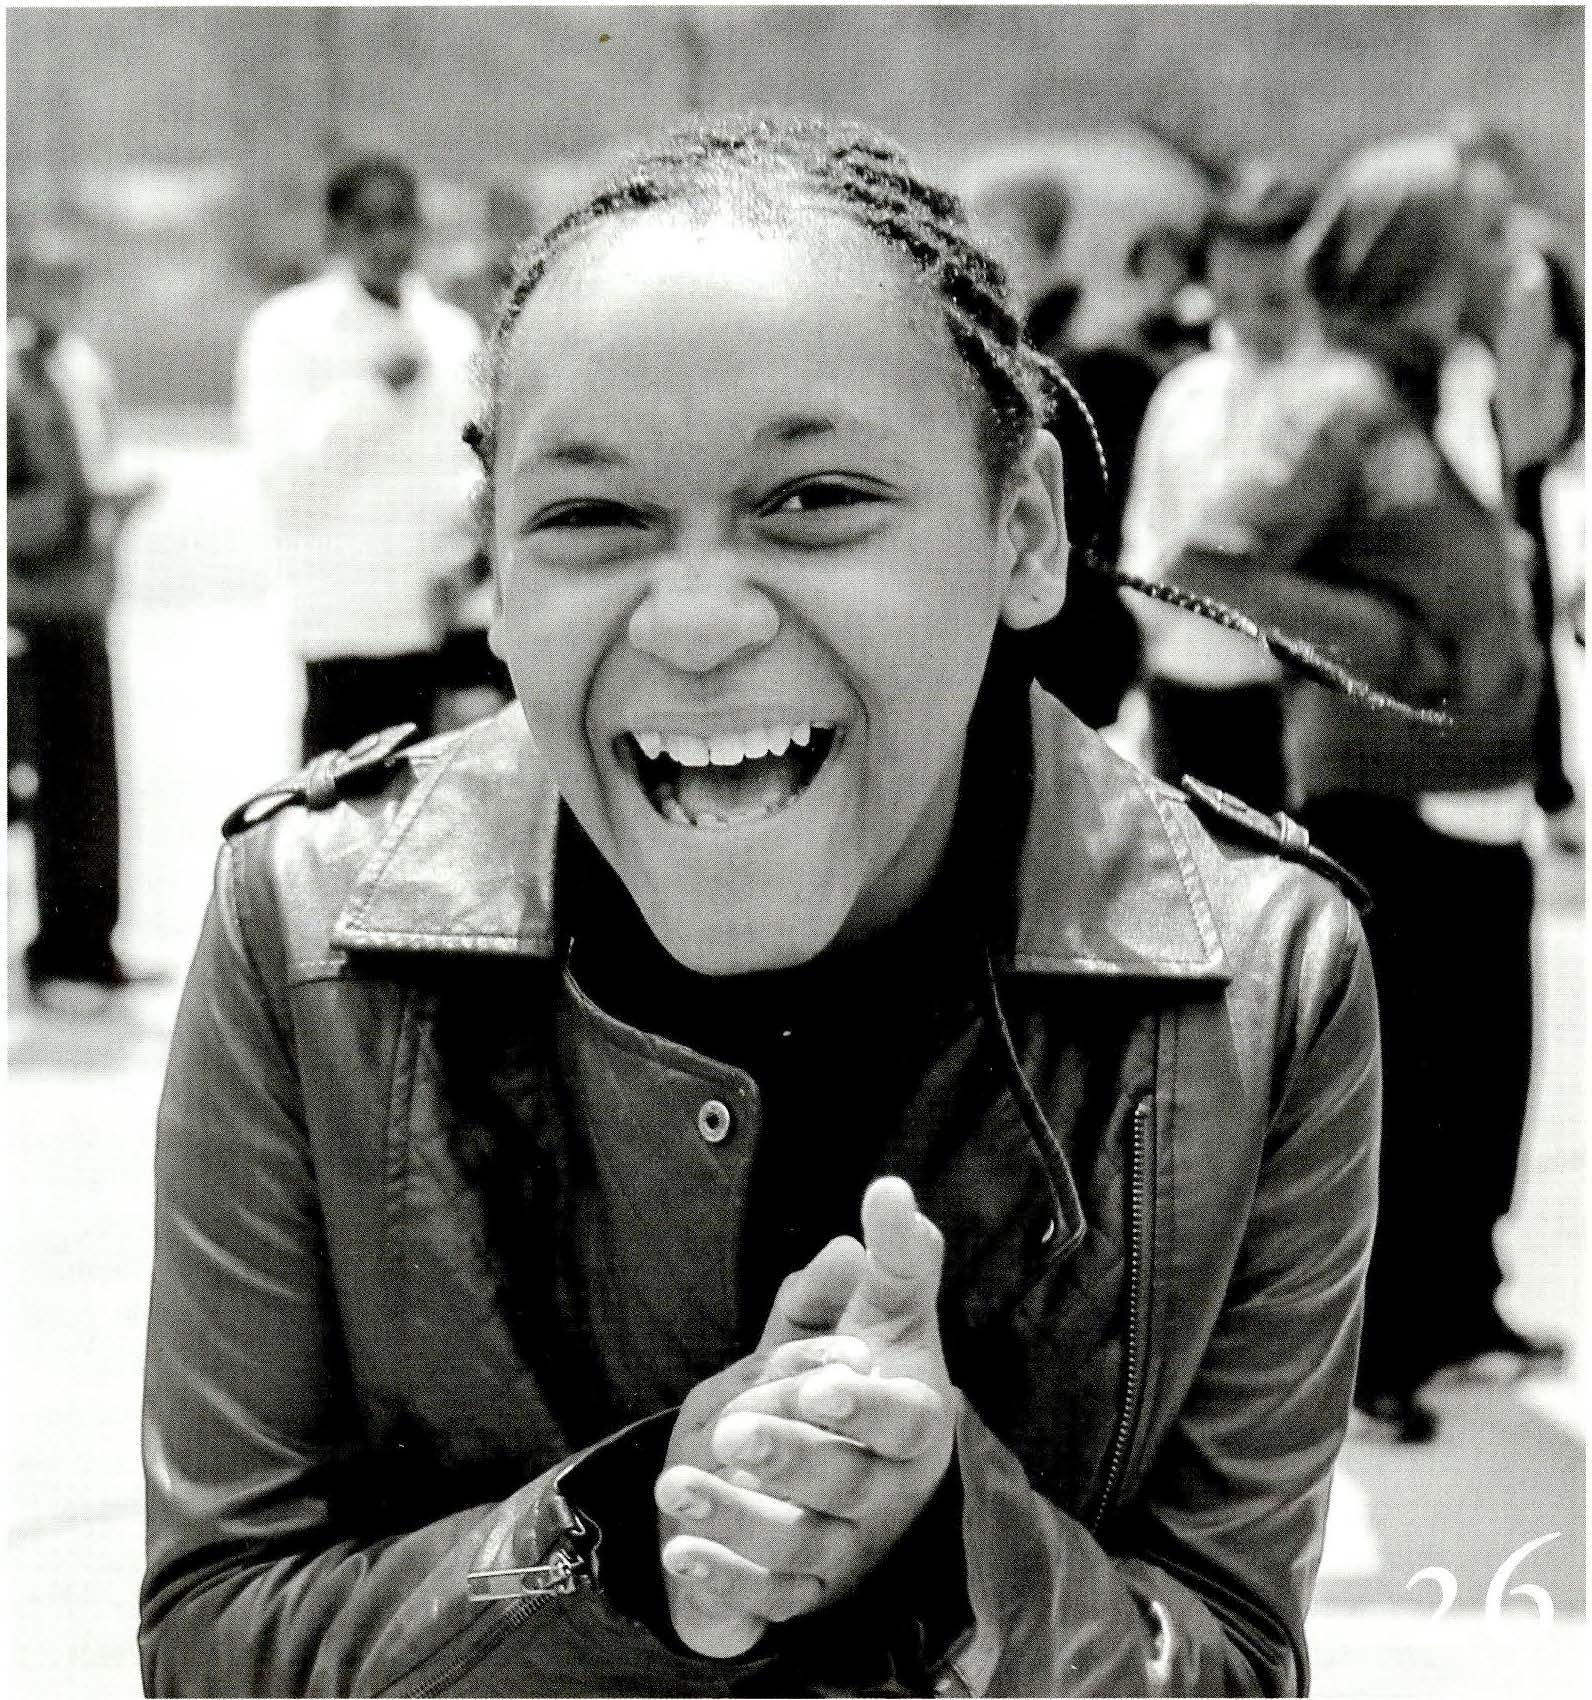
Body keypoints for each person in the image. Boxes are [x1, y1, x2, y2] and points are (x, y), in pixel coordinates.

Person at [141, 116, 1381, 1697]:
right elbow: (215, 1637)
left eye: (815, 499)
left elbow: (1230, 1659)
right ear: (494, 569)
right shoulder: (309, 928)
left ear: (1024, 533)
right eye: (591, 518)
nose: (699, 619)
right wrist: (621, 1536)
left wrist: (958, 1541)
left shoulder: (1258, 981)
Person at [1164, 137, 1551, 1444]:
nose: (1507, 260)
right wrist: (1380, 639)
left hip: (1472, 795)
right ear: (1422, 260)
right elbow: (1207, 561)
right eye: (1482, 238)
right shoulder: (1332, 402)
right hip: (1384, 795)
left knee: (1480, 1073)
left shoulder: (1431, 390)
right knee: (1401, 1089)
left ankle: (1454, 1312)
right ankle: (1375, 1351)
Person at [235, 154, 484, 761]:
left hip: (450, 623)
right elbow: (285, 482)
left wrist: (470, 560)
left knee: (458, 806)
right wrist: (373, 395)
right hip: (348, 628)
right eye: (366, 223)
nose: (387, 239)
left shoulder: (452, 334)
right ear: (336, 231)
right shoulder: (287, 330)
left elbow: (475, 467)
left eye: (400, 220)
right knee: (344, 809)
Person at [1121, 167, 1316, 814]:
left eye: (1275, 299)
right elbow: (1143, 539)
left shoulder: (1339, 404)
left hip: (1292, 711)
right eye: (1230, 297)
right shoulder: (1186, 394)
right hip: (1182, 696)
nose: (1250, 319)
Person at [7, 231, 159, 1010]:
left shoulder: (80, 369)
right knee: (48, 786)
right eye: (41, 281)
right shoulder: (12, 378)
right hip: (31, 608)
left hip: (87, 599)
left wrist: (112, 507)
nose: (54, 299)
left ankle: (94, 944)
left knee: (95, 784)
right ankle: (52, 954)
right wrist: (78, 507)